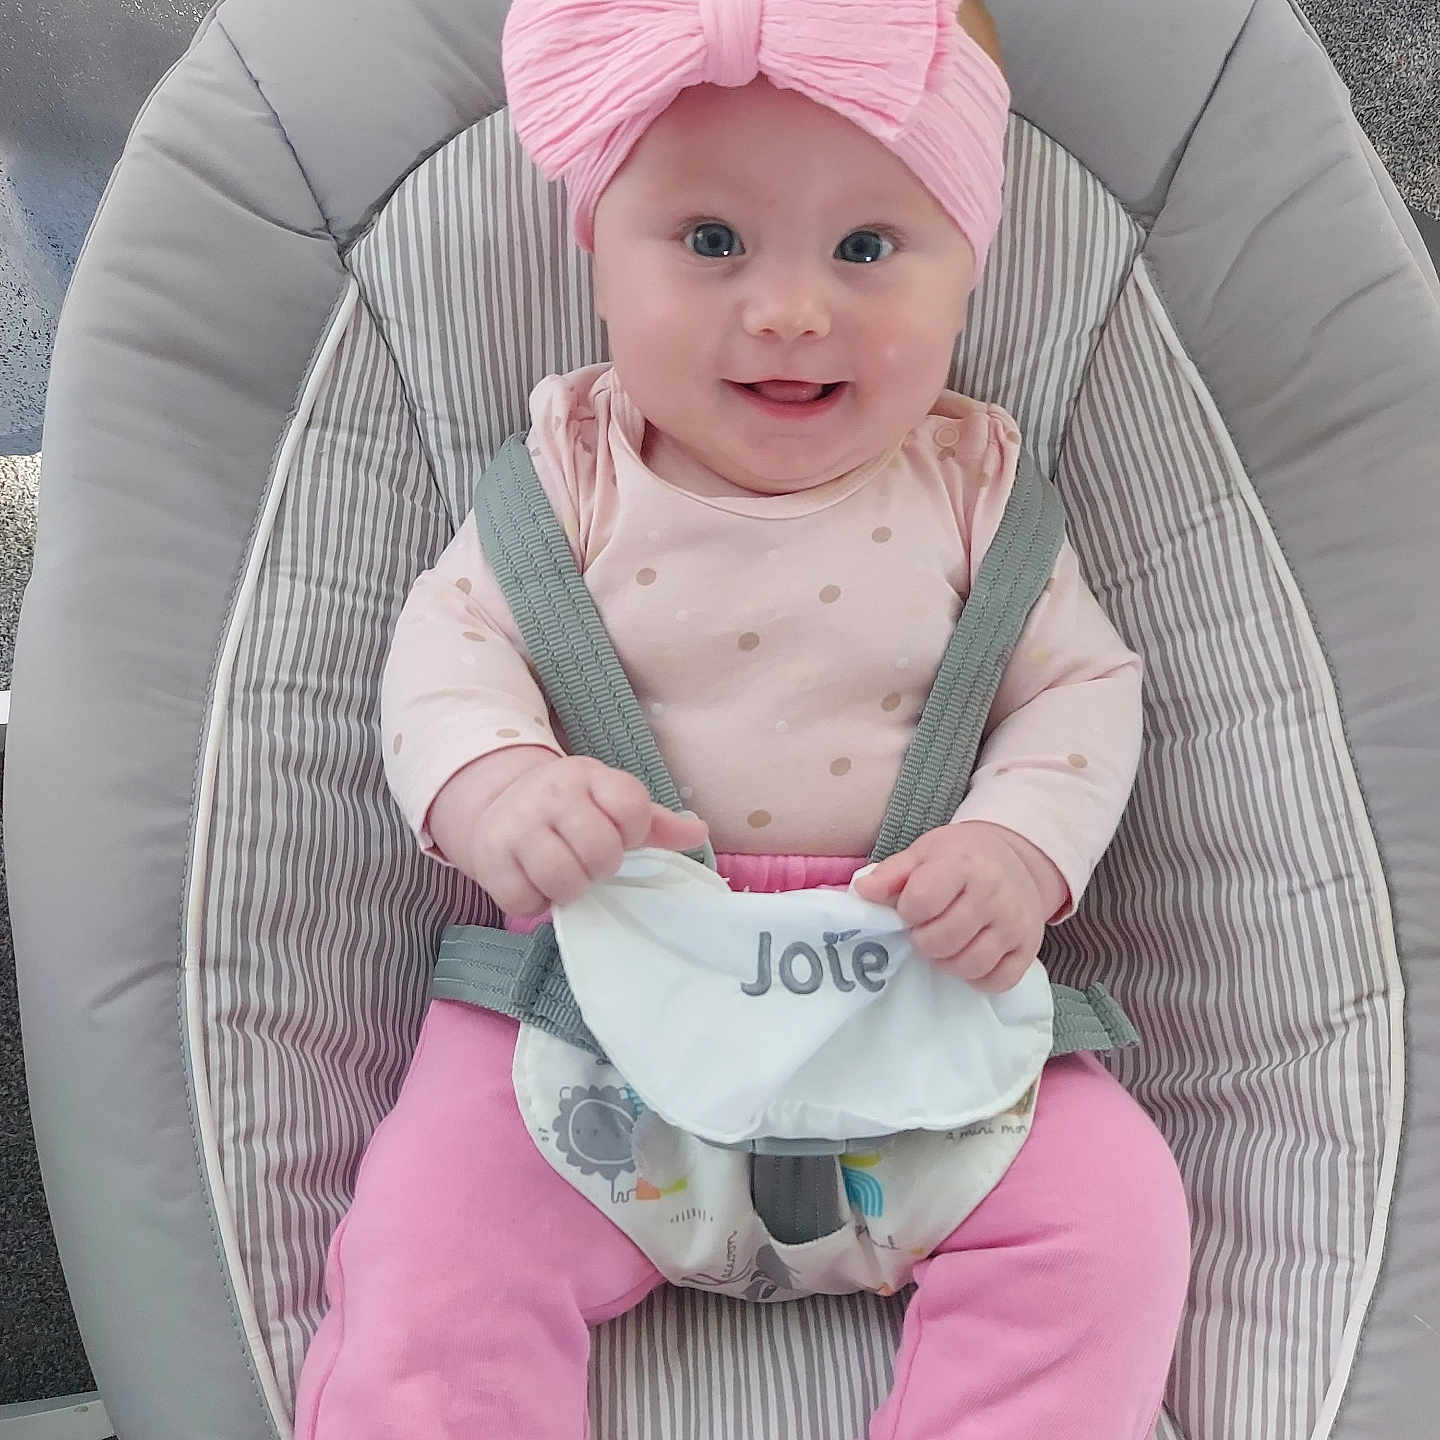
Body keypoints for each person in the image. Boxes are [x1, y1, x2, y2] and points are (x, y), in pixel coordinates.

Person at [293, 3, 1191, 1435]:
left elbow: (1078, 688)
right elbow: (444, 652)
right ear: (596, 255)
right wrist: (503, 784)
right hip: (596, 1004)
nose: (788, 310)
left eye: (867, 248)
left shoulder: (975, 491)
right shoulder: (572, 478)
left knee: (1113, 1212)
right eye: (710, 244)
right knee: (435, 1240)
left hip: (913, 992)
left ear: (971, 272)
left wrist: (1019, 850)